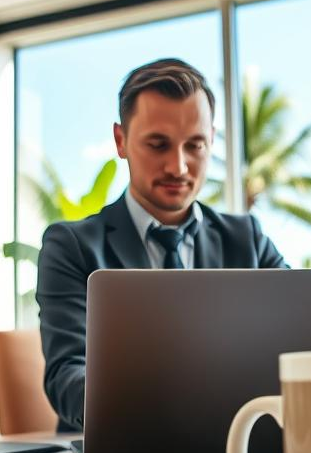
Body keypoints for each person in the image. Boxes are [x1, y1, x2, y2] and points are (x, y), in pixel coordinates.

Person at [37, 58, 288, 432]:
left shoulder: (247, 239)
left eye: (195, 145)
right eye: (158, 144)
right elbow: (67, 375)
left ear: (212, 142)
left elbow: (299, 344)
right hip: (119, 451)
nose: (179, 167)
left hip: (231, 449)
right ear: (121, 141)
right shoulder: (71, 247)